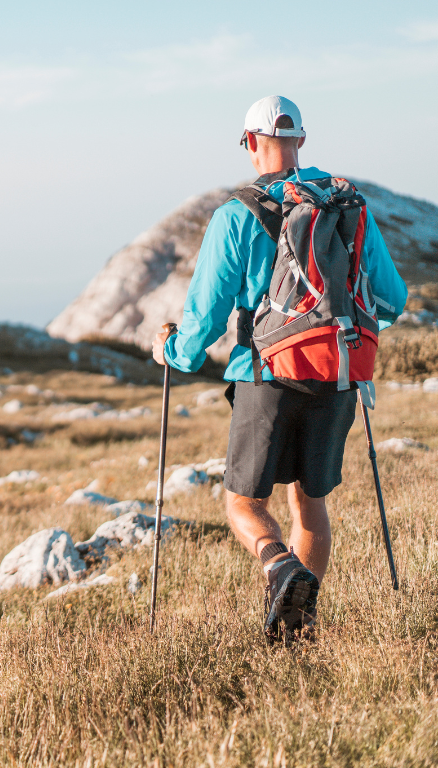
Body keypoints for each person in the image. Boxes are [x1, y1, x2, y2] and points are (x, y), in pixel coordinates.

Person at [152, 96, 407, 644]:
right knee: (309, 503)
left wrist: (171, 351)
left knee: (244, 501)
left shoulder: (237, 213)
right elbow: (393, 299)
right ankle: (298, 630)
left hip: (266, 374)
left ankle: (280, 567)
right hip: (338, 370)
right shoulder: (348, 206)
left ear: (248, 143)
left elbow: (203, 322)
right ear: (302, 142)